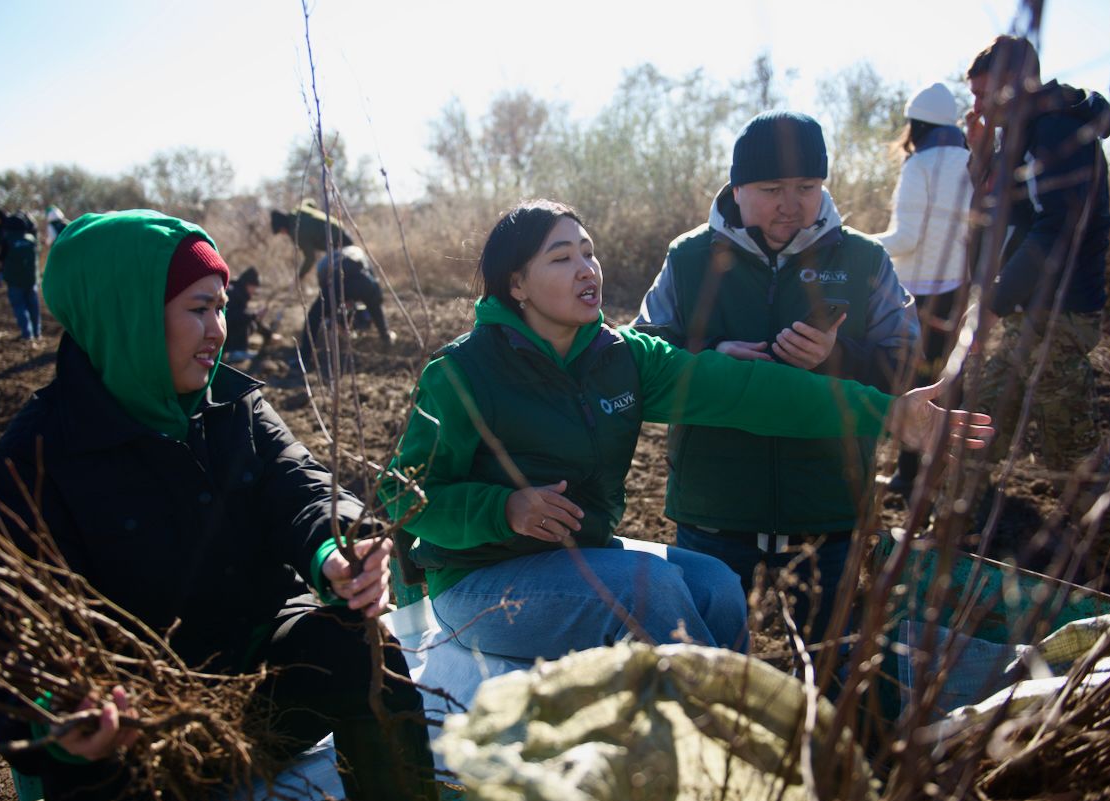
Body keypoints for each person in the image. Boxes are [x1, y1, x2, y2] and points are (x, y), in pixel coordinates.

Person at [0, 210, 440, 801]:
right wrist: (59, 713)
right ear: (129, 316)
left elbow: (299, 486)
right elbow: (11, 652)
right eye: (200, 309)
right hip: (142, 737)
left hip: (257, 691)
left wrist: (338, 549)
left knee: (360, 649)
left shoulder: (234, 404)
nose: (219, 331)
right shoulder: (29, 469)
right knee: (103, 792)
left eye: (222, 308)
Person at [381, 200, 989, 665]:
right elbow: (402, 496)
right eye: (561, 258)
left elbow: (748, 391)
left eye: (589, 252)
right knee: (649, 589)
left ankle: (726, 730)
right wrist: (504, 508)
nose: (586, 269)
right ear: (516, 285)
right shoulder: (463, 371)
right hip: (478, 583)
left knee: (717, 586)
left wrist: (887, 413)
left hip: (579, 558)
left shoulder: (622, 356)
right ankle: (721, 740)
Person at [635, 111, 920, 644]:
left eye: (807, 187)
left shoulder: (864, 260)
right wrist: (713, 355)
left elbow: (908, 362)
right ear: (738, 189)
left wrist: (841, 357)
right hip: (714, 508)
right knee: (705, 666)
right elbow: (641, 356)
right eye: (771, 188)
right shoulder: (689, 258)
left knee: (831, 668)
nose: (791, 203)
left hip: (829, 511)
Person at [961, 35, 1110, 589]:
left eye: (987, 96)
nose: (979, 109)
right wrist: (979, 159)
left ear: (1019, 86)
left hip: (1058, 320)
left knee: (1075, 466)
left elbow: (1057, 230)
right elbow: (993, 230)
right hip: (1030, 318)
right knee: (979, 425)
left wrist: (993, 301)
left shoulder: (1057, 132)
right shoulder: (1022, 138)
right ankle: (955, 540)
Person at [869, 84, 974, 497]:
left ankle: (910, 476)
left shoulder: (921, 164)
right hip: (958, 291)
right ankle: (941, 480)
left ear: (916, 123)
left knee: (912, 384)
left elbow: (907, 238)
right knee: (946, 383)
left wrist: (853, 241)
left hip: (918, 295)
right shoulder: (971, 160)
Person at [270, 202, 394, 371]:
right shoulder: (299, 210)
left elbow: (310, 259)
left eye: (281, 231)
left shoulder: (298, 233)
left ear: (283, 226)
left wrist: (300, 276)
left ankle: (305, 358)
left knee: (314, 317)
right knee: (373, 301)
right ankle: (385, 337)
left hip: (339, 271)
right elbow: (310, 202)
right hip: (354, 257)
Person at [0, 211, 43, 342]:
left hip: (14, 281)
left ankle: (27, 335)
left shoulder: (7, 240)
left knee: (19, 307)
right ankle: (37, 333)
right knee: (33, 307)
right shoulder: (32, 239)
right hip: (31, 279)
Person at [223, 264, 263, 362]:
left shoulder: (238, 291)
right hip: (225, 328)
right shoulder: (234, 293)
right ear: (248, 284)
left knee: (252, 324)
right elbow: (232, 317)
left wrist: (269, 335)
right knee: (245, 320)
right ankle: (236, 351)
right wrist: (254, 315)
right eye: (254, 287)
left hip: (227, 328)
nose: (254, 290)